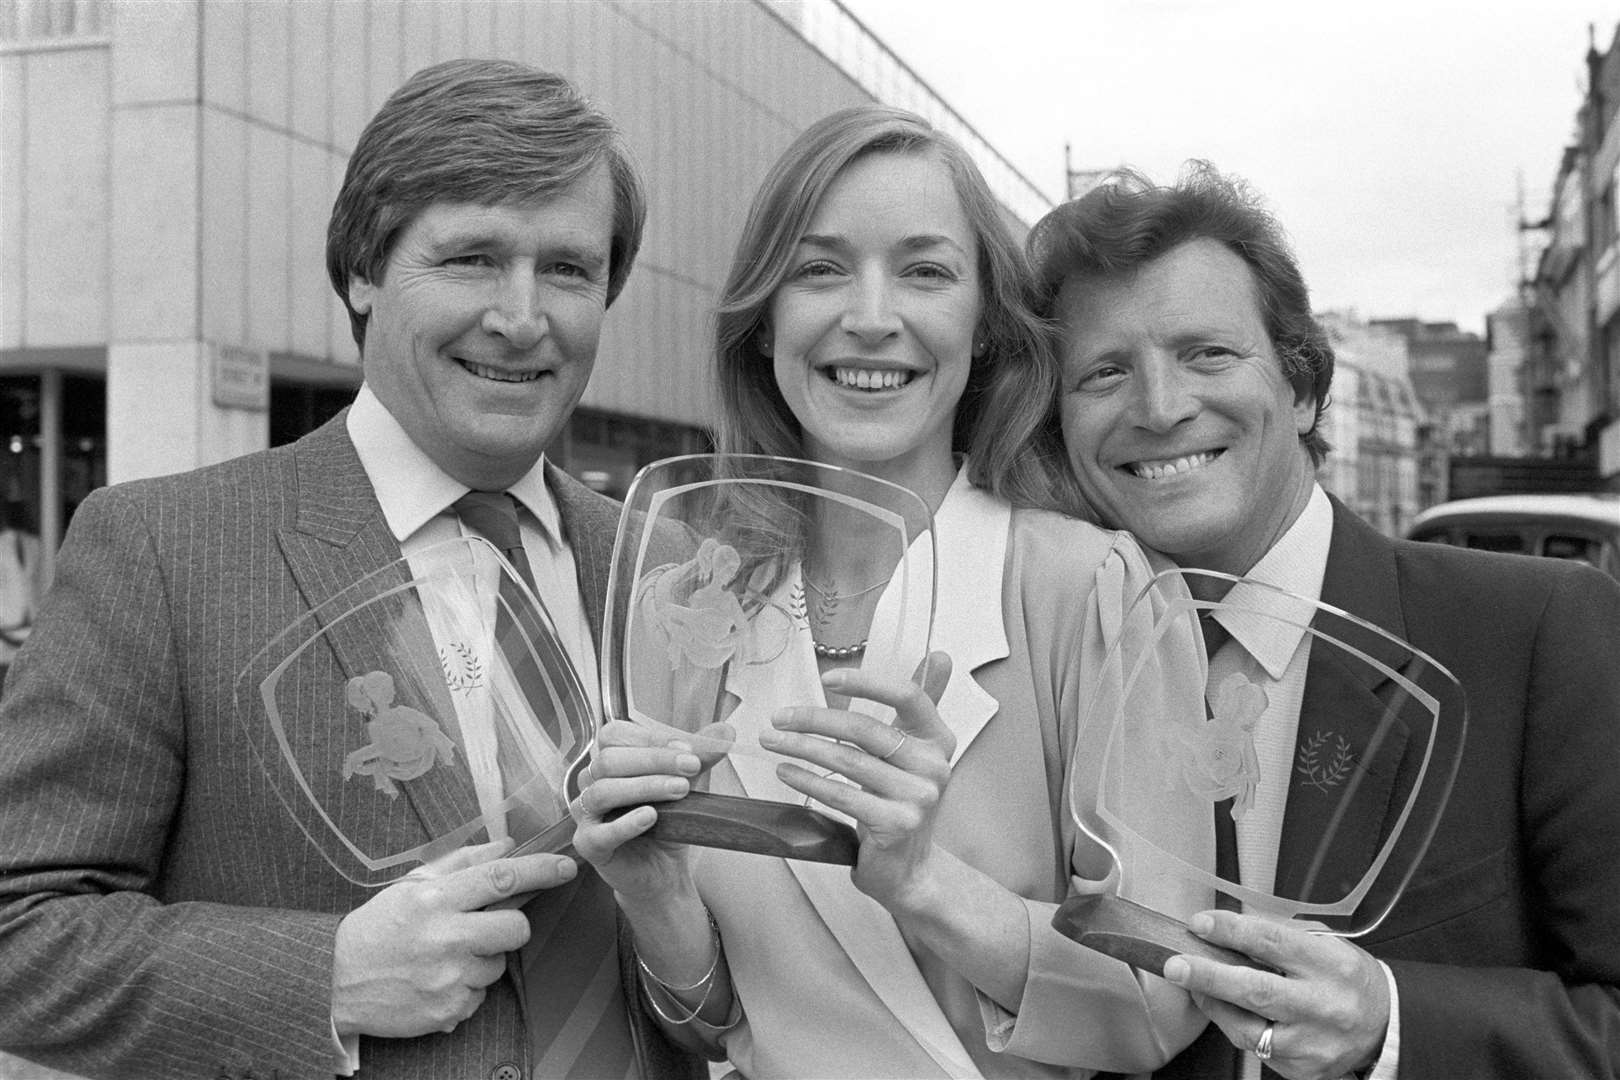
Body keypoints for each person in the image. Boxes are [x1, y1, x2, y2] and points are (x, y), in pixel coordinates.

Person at [0, 59, 700, 1080]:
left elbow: (724, 965)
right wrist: (320, 975)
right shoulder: (164, 551)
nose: (521, 315)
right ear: (365, 271)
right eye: (470, 257)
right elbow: (19, 928)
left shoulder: (661, 569)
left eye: (567, 269)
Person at [568, 105, 1207, 1079]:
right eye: (821, 268)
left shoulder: (1098, 594)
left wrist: (924, 883)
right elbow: (708, 1027)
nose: (871, 315)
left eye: (925, 270)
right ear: (764, 319)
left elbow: (1162, 1003)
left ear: (986, 326)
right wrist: (655, 897)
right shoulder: (693, 608)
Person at [1029, 163, 1620, 1080]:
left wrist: (1392, 1023)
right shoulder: (1062, 663)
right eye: (1104, 373)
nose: (1159, 407)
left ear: (1304, 388)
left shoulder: (1535, 636)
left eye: (1207, 354)